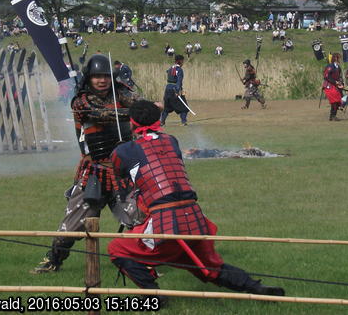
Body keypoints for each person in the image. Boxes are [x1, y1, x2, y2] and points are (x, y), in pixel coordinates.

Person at [107, 101, 285, 300]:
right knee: (209, 267)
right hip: (193, 216)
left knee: (117, 249)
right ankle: (256, 288)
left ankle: (154, 295)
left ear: (131, 123)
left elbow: (122, 180)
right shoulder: (171, 141)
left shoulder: (122, 152)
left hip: (164, 221)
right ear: (157, 120)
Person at [32, 54, 142, 273]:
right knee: (74, 222)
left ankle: (143, 263)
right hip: (96, 170)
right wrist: (132, 113)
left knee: (139, 216)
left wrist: (148, 108)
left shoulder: (122, 93)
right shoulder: (81, 101)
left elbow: (138, 105)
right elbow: (100, 114)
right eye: (96, 77)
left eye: (105, 76)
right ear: (89, 78)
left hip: (123, 170)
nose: (101, 81)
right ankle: (53, 259)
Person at [160, 55, 189, 126]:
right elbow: (179, 81)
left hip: (168, 89)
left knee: (167, 107)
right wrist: (177, 90)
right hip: (175, 89)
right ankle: (183, 122)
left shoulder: (170, 68)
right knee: (184, 107)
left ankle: (162, 122)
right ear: (181, 61)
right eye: (183, 61)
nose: (183, 62)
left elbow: (167, 72)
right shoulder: (179, 70)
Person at [322, 53, 344, 121]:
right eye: (339, 58)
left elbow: (339, 77)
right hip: (329, 86)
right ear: (335, 58)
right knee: (334, 101)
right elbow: (326, 76)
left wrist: (341, 83)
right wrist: (335, 82)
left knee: (337, 102)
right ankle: (333, 116)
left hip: (335, 86)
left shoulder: (338, 67)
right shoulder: (330, 66)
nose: (340, 59)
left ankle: (332, 116)